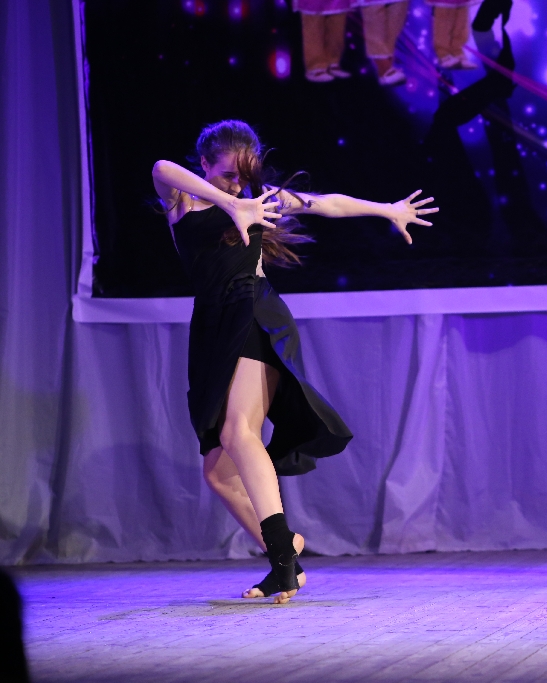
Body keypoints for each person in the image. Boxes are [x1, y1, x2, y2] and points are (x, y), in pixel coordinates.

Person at [152, 120, 437, 601]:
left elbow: (327, 203)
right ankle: (287, 552)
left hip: (254, 309)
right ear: (204, 165)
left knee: (238, 431)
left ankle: (282, 561)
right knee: (218, 472)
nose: (237, 186)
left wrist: (387, 210)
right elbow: (161, 168)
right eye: (227, 175)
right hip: (212, 326)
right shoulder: (185, 200)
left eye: (244, 177)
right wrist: (230, 204)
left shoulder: (260, 200)